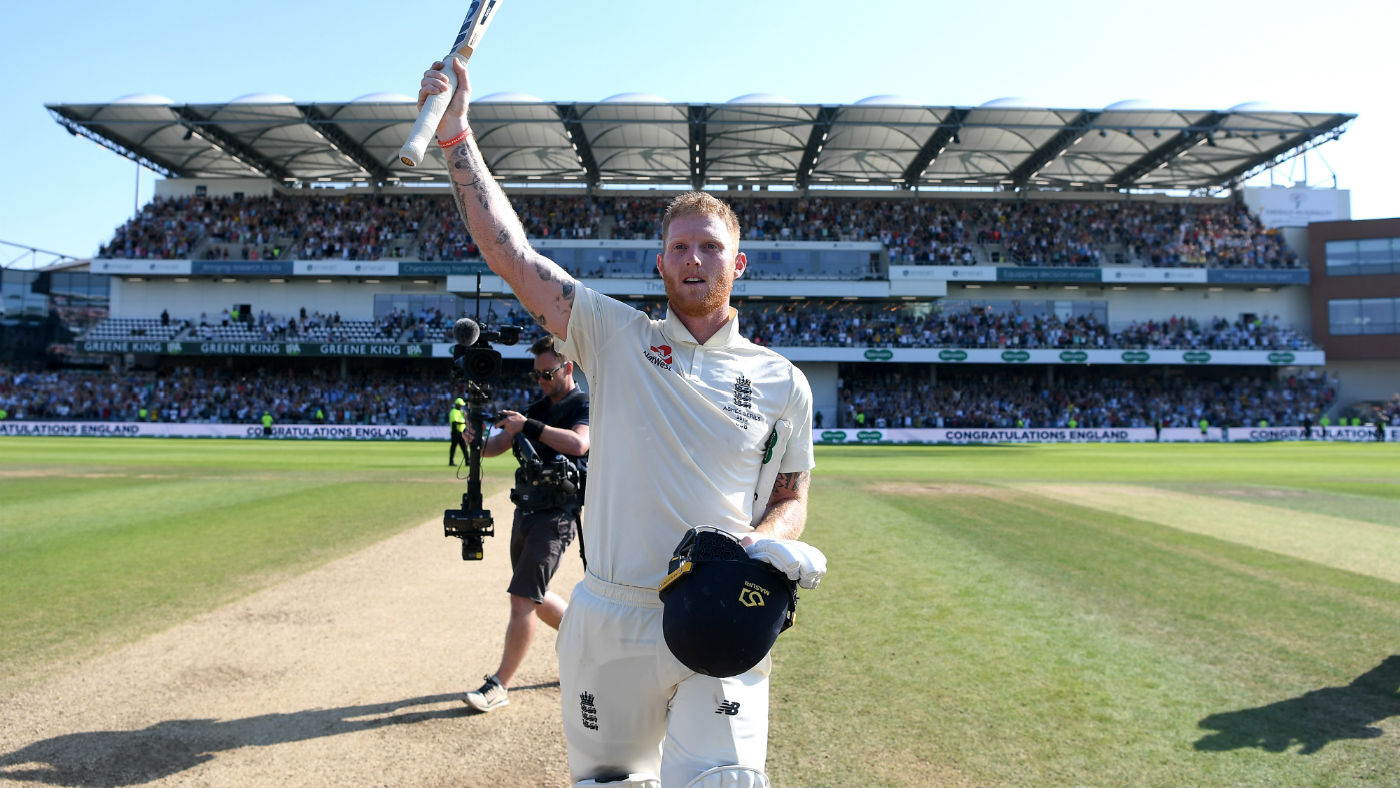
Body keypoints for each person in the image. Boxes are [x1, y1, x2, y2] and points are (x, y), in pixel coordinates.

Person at [420, 59, 824, 788]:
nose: (693, 259)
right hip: (610, 619)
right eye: (679, 247)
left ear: (740, 263)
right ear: (660, 262)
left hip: (720, 612)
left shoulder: (782, 382)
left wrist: (773, 539)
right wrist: (456, 138)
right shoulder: (615, 335)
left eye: (709, 247)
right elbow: (511, 255)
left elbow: (790, 494)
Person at [463, 335, 590, 713]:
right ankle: (587, 645)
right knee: (532, 593)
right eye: (537, 375)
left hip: (557, 514)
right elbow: (496, 447)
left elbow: (579, 445)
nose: (542, 380)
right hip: (528, 509)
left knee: (522, 597)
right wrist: (474, 439)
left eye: (548, 373)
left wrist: (529, 426)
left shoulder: (584, 404)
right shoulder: (537, 406)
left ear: (567, 368)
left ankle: (499, 685)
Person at [448, 396, 469, 466]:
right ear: (457, 405)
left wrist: (465, 416)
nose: (461, 407)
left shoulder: (461, 412)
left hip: (461, 432)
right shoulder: (454, 411)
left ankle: (467, 461)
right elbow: (455, 422)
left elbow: (465, 420)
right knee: (454, 447)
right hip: (455, 432)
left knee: (464, 447)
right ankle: (451, 462)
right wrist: (464, 423)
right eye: (460, 405)